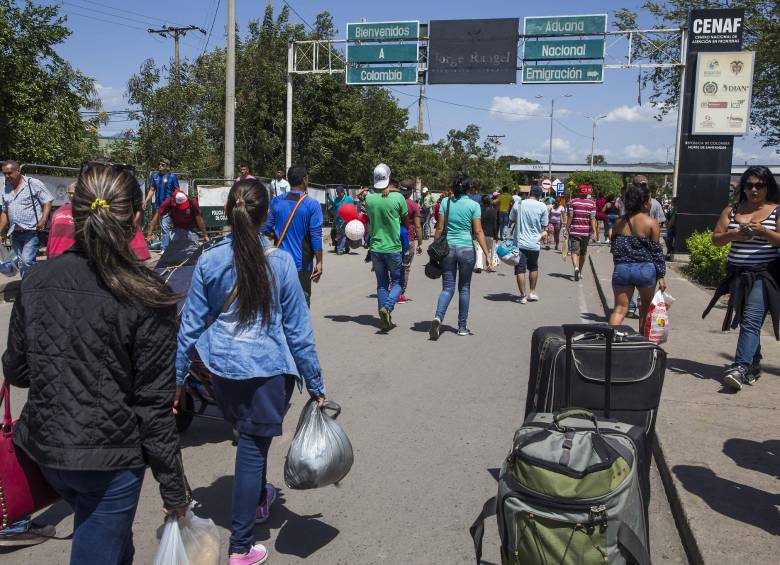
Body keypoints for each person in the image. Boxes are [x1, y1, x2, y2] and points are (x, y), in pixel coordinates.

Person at [2, 160, 189, 564]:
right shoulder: (148, 295)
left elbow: (16, 371)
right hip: (109, 466)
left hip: (45, 451)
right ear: (137, 218)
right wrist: (175, 491)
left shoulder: (36, 280)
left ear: (75, 212)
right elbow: (153, 410)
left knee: (115, 547)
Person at [176, 179, 326, 565]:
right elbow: (298, 331)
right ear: (265, 217)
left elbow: (189, 326)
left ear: (228, 212)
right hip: (266, 373)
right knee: (251, 450)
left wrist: (175, 381)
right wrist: (316, 383)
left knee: (248, 438)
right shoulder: (280, 262)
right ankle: (241, 548)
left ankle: (259, 500)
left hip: (222, 371)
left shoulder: (210, 260)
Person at [706, 166, 780, 391]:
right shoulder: (731, 210)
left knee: (750, 319)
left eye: (760, 185)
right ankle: (754, 363)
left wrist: (764, 232)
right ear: (743, 187)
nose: (754, 190)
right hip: (738, 275)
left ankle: (739, 366)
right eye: (749, 185)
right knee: (749, 320)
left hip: (765, 274)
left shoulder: (776, 211)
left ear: (768, 187)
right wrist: (733, 235)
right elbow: (716, 239)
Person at [429, 174, 491, 339]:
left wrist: (435, 250)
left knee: (447, 288)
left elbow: (440, 229)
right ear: (468, 188)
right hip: (466, 250)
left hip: (448, 249)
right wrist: (487, 255)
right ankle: (462, 327)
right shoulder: (473, 205)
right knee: (464, 288)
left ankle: (438, 317)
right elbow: (478, 231)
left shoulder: (445, 202)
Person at [607, 183, 667, 331]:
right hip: (645, 270)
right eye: (649, 200)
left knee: (620, 309)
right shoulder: (651, 223)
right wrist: (661, 275)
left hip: (622, 269)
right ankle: (643, 345)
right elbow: (656, 252)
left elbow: (614, 245)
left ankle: (608, 345)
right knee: (646, 308)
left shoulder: (619, 222)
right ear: (644, 203)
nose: (651, 203)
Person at [263, 165, 323, 306]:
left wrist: (277, 234)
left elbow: (265, 228)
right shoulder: (312, 205)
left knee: (280, 304)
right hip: (301, 264)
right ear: (304, 180)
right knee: (301, 305)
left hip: (279, 262)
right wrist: (320, 262)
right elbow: (316, 237)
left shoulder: (276, 202)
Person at [363, 164, 407, 330]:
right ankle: (387, 307)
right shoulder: (398, 198)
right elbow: (405, 220)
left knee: (382, 284)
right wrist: (395, 191)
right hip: (393, 247)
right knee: (398, 283)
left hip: (376, 247)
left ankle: (384, 321)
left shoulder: (369, 199)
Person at [0, 160, 54, 277]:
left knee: (27, 261)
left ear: (18, 171)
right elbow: (5, 212)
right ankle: (28, 287)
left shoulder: (33, 183)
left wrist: (43, 219)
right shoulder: (6, 188)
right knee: (21, 263)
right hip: (14, 232)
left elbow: (48, 200)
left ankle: (33, 287)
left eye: (9, 173)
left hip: (32, 230)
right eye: (4, 173)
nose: (7, 176)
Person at [510, 186, 549, 303]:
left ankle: (523, 296)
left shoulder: (519, 203)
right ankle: (532, 292)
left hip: (520, 243)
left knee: (520, 270)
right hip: (534, 243)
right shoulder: (542, 206)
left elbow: (511, 218)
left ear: (529, 193)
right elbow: (544, 224)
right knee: (533, 267)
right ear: (540, 196)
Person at [144, 158, 180, 251]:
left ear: (167, 167)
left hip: (168, 206)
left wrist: (176, 204)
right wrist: (146, 200)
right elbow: (152, 189)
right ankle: (167, 246)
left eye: (163, 165)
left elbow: (177, 191)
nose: (160, 166)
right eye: (159, 164)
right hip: (158, 206)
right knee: (160, 225)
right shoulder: (155, 176)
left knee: (165, 227)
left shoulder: (172, 177)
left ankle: (164, 249)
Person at [398, 179, 423, 303]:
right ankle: (400, 293)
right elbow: (418, 226)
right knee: (406, 266)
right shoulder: (413, 205)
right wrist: (420, 242)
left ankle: (390, 288)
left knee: (394, 264)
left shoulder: (393, 201)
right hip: (408, 239)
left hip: (393, 237)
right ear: (411, 191)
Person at [566, 185, 598, 281]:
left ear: (579, 192)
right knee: (583, 253)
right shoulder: (592, 203)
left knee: (574, 251)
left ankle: (575, 267)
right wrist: (595, 232)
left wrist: (566, 228)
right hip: (586, 232)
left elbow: (570, 216)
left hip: (575, 231)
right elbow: (592, 218)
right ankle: (579, 271)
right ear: (588, 193)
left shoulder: (573, 201)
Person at [475, 195, 497, 273]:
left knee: (479, 249)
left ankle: (479, 266)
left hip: (481, 233)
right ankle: (489, 265)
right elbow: (495, 224)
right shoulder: (493, 211)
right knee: (489, 250)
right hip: (490, 234)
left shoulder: (479, 210)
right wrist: (496, 236)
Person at [332, 185, 353, 256]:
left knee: (342, 235)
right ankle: (346, 247)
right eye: (337, 193)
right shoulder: (336, 200)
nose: (338, 194)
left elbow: (352, 209)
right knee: (341, 235)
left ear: (343, 192)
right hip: (338, 221)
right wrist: (334, 220)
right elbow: (334, 209)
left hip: (346, 220)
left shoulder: (349, 199)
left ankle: (340, 250)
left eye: (339, 193)